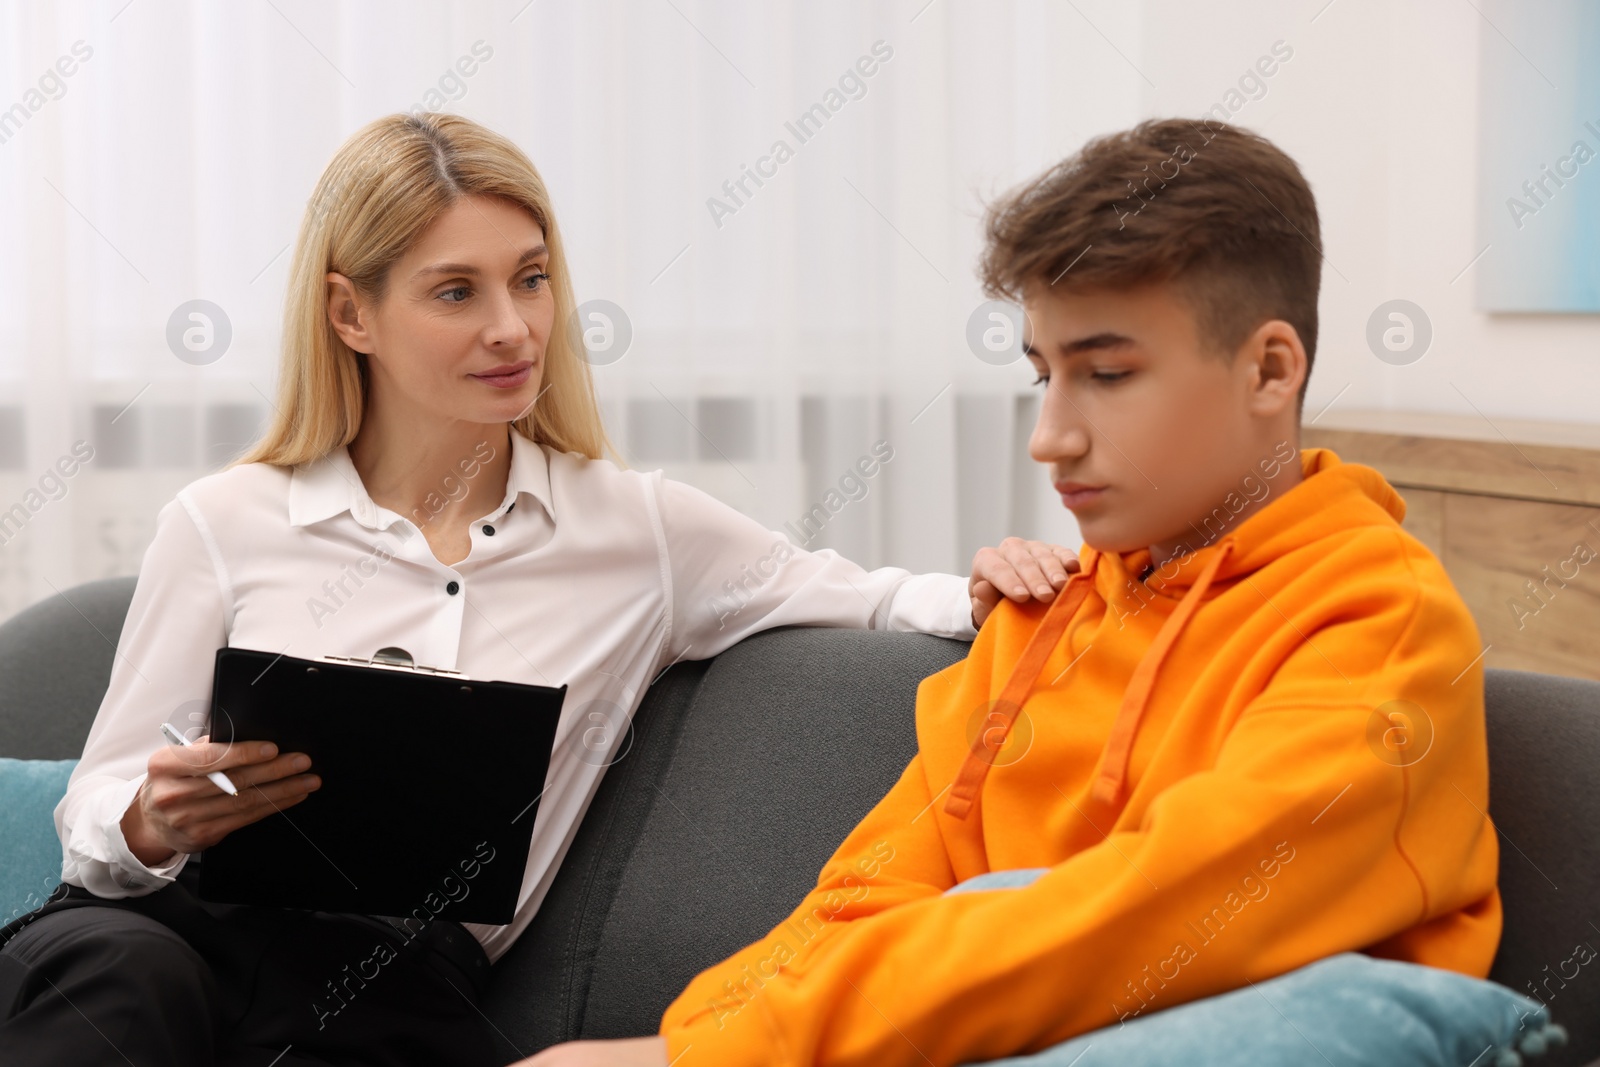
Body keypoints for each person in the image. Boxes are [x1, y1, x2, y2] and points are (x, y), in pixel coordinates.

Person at [0, 112, 1076, 1067]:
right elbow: (94, 807)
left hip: (383, 983)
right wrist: (148, 817)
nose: (513, 327)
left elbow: (870, 596)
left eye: (531, 277)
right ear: (350, 314)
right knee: (117, 978)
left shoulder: (638, 530)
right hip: (163, 929)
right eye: (456, 291)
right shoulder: (225, 521)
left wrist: (989, 587)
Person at [519, 118, 1502, 1067]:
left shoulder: (1377, 620)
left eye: (1107, 373)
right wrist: (695, 1037)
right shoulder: (1047, 612)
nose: (1050, 437)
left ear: (1269, 369)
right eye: (1043, 374)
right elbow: (873, 888)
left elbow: (1150, 915)